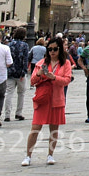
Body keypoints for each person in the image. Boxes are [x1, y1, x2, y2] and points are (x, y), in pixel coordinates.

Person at [22, 37, 72, 166]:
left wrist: (54, 77)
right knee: (35, 128)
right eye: (50, 49)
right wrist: (38, 74)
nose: (52, 52)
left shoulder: (65, 63)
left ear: (60, 49)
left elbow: (67, 80)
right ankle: (28, 156)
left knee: (54, 128)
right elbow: (32, 81)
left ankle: (50, 154)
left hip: (56, 98)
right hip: (43, 99)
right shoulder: (41, 63)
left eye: (55, 49)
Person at [5, 31, 31, 122]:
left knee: (9, 93)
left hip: (10, 72)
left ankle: (7, 114)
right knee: (21, 94)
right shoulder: (24, 45)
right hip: (20, 73)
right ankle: (18, 113)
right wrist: (24, 71)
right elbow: (25, 59)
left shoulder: (9, 45)